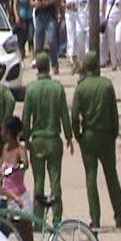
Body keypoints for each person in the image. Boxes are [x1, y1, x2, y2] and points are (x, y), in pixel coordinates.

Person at [71, 50, 121, 232]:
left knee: (91, 177)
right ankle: (119, 216)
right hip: (106, 136)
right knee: (112, 176)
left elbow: (74, 116)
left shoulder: (81, 87)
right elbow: (113, 113)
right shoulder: (107, 86)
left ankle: (95, 218)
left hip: (89, 136)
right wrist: (114, 133)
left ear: (85, 67)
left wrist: (78, 135)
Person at [22, 50, 73, 222]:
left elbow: (26, 117)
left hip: (37, 140)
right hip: (53, 139)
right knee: (55, 180)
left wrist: (25, 138)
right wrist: (69, 136)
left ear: (37, 69)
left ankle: (38, 218)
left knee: (39, 181)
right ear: (49, 68)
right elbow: (64, 115)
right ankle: (57, 217)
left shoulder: (31, 89)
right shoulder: (57, 88)